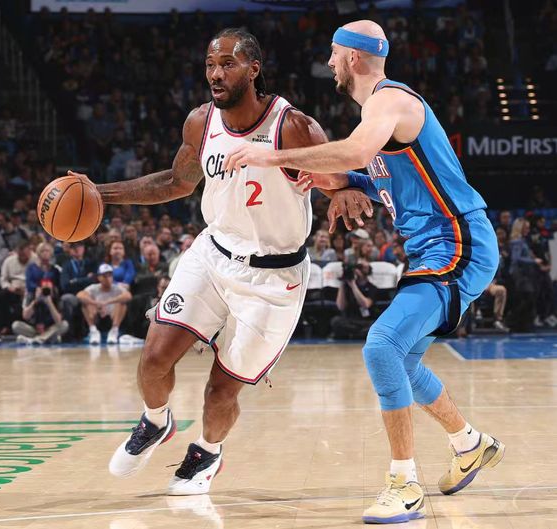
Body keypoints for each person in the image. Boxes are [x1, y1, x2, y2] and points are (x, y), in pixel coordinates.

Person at [224, 20, 504, 524]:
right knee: (405, 363)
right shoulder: (381, 113)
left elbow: (356, 150)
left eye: (333, 54)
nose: (329, 63)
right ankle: (470, 444)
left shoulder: (389, 101)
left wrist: (272, 156)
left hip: (458, 244)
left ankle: (404, 483)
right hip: (437, 248)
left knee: (381, 346)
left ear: (352, 56)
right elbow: (380, 175)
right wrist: (341, 183)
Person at [68, 28, 369, 495]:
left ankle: (207, 452)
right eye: (210, 65)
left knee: (219, 392)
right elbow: (176, 182)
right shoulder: (200, 122)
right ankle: (156, 421)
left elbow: (337, 172)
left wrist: (347, 189)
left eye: (228, 64)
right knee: (153, 359)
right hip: (212, 254)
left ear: (253, 69)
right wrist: (97, 194)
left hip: (274, 278)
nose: (215, 73)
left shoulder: (292, 126)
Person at [77, 263, 132, 345]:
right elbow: (79, 295)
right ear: (99, 277)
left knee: (122, 303)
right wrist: (96, 303)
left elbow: (128, 296)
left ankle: (114, 330)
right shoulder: (93, 288)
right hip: (96, 315)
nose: (108, 278)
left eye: (110, 275)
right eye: (105, 276)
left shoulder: (117, 288)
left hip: (113, 315)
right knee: (85, 303)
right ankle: (93, 330)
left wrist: (107, 302)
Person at [329, 260, 379, 339]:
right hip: (350, 320)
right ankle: (358, 334)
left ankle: (352, 334)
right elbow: (341, 306)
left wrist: (353, 286)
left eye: (361, 267)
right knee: (335, 321)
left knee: (376, 325)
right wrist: (342, 283)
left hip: (366, 321)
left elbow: (366, 304)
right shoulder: (346, 286)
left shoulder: (372, 288)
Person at [12, 278, 69, 345]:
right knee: (16, 325)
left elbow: (58, 320)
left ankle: (36, 339)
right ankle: (45, 339)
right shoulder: (31, 296)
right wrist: (35, 301)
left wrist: (50, 303)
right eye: (44, 289)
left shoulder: (57, 298)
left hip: (50, 329)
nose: (45, 292)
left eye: (48, 290)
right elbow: (25, 316)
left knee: (65, 325)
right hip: (33, 329)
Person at [60, 241, 96, 338]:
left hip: (89, 294)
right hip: (73, 295)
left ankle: (92, 331)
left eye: (79, 246)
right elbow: (65, 285)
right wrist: (85, 279)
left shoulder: (90, 263)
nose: (76, 249)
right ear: (69, 250)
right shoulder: (66, 265)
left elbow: (94, 280)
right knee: (66, 299)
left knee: (91, 298)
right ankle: (68, 334)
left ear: (84, 248)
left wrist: (75, 281)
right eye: (73, 247)